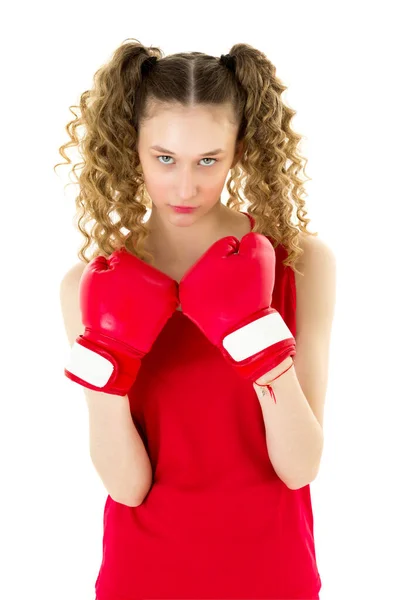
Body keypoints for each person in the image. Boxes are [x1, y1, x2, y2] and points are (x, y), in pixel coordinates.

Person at [57, 38, 336, 600]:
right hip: (142, 576)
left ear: (240, 150)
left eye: (209, 160)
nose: (185, 187)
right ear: (130, 147)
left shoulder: (299, 263)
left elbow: (299, 467)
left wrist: (258, 343)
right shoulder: (90, 287)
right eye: (165, 158)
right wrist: (111, 356)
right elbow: (126, 487)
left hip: (272, 572)